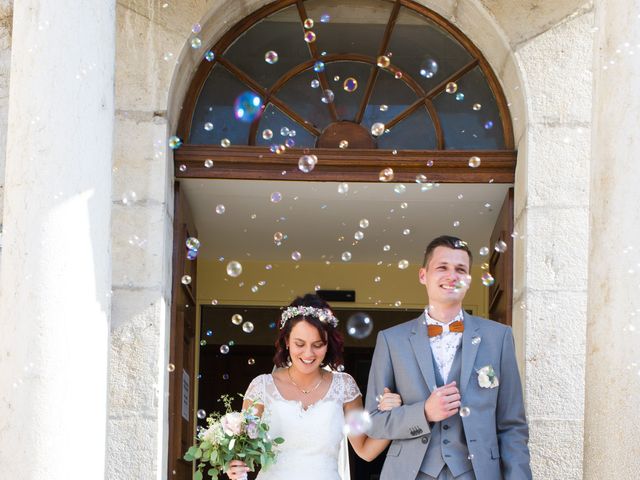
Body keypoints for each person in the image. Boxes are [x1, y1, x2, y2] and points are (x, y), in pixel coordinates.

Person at [364, 235, 532, 480]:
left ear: (469, 280)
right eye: (442, 267)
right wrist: (424, 412)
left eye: (460, 269)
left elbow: (512, 426)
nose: (451, 276)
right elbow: (374, 422)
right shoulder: (391, 340)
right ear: (423, 275)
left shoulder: (499, 338)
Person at [226, 293, 401, 480]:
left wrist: (395, 416)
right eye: (299, 344)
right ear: (286, 342)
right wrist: (232, 467)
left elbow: (365, 450)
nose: (308, 353)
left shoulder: (344, 386)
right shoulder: (262, 387)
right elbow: (240, 454)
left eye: (318, 344)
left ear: (328, 345)